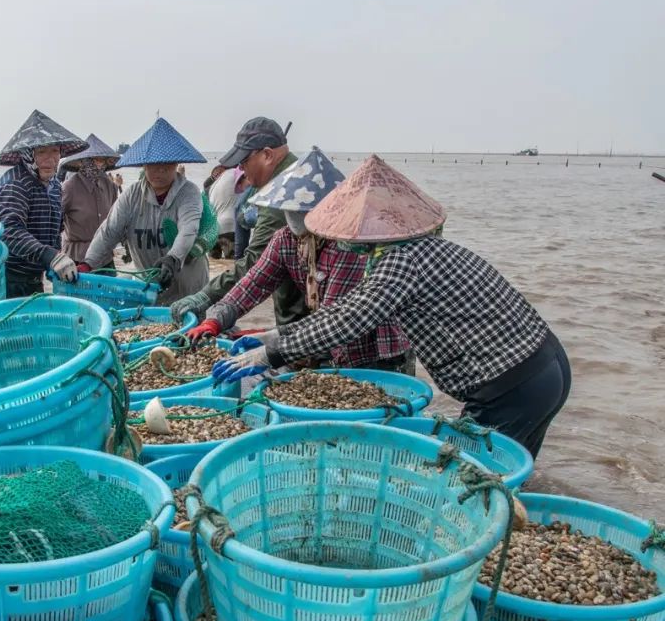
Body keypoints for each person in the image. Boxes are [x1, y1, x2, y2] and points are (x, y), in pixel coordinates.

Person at [213, 155, 571, 457]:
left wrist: (270, 352)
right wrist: (271, 336)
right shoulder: (424, 249)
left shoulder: (402, 260)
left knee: (462, 480)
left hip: (512, 386)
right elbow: (343, 311)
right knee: (499, 476)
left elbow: (348, 319)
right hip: (545, 366)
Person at [187, 147, 412, 372]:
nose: (294, 216)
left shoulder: (348, 245)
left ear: (328, 209)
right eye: (288, 209)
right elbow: (253, 283)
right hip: (327, 341)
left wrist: (272, 339)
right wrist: (216, 318)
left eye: (302, 210)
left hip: (376, 351)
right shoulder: (286, 239)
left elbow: (333, 321)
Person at [170, 117, 308, 328]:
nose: (241, 169)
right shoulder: (296, 172)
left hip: (304, 317)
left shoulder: (283, 193)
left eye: (244, 161)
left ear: (268, 155)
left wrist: (206, 296)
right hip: (299, 309)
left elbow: (256, 262)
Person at [79, 118, 209, 304]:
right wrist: (88, 263)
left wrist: (173, 259)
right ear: (143, 165)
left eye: (166, 164)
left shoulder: (189, 192)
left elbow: (189, 228)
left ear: (176, 164)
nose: (160, 170)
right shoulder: (132, 195)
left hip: (187, 287)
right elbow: (109, 231)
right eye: (153, 165)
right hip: (148, 288)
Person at [0, 110, 89, 297]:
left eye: (55, 151)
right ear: (28, 154)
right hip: (9, 278)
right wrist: (49, 256)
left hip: (35, 276)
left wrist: (56, 259)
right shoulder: (16, 184)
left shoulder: (55, 186)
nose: (50, 159)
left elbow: (55, 229)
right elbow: (10, 232)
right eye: (41, 152)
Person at [59, 134, 121, 263]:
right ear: (83, 162)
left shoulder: (110, 186)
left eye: (102, 161)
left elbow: (117, 219)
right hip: (77, 258)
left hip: (105, 257)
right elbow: (55, 223)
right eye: (95, 160)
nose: (99, 165)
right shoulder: (69, 188)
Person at [206, 165, 240, 259]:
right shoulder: (235, 173)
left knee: (213, 264)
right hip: (229, 228)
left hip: (212, 232)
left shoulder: (212, 188)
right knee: (231, 264)